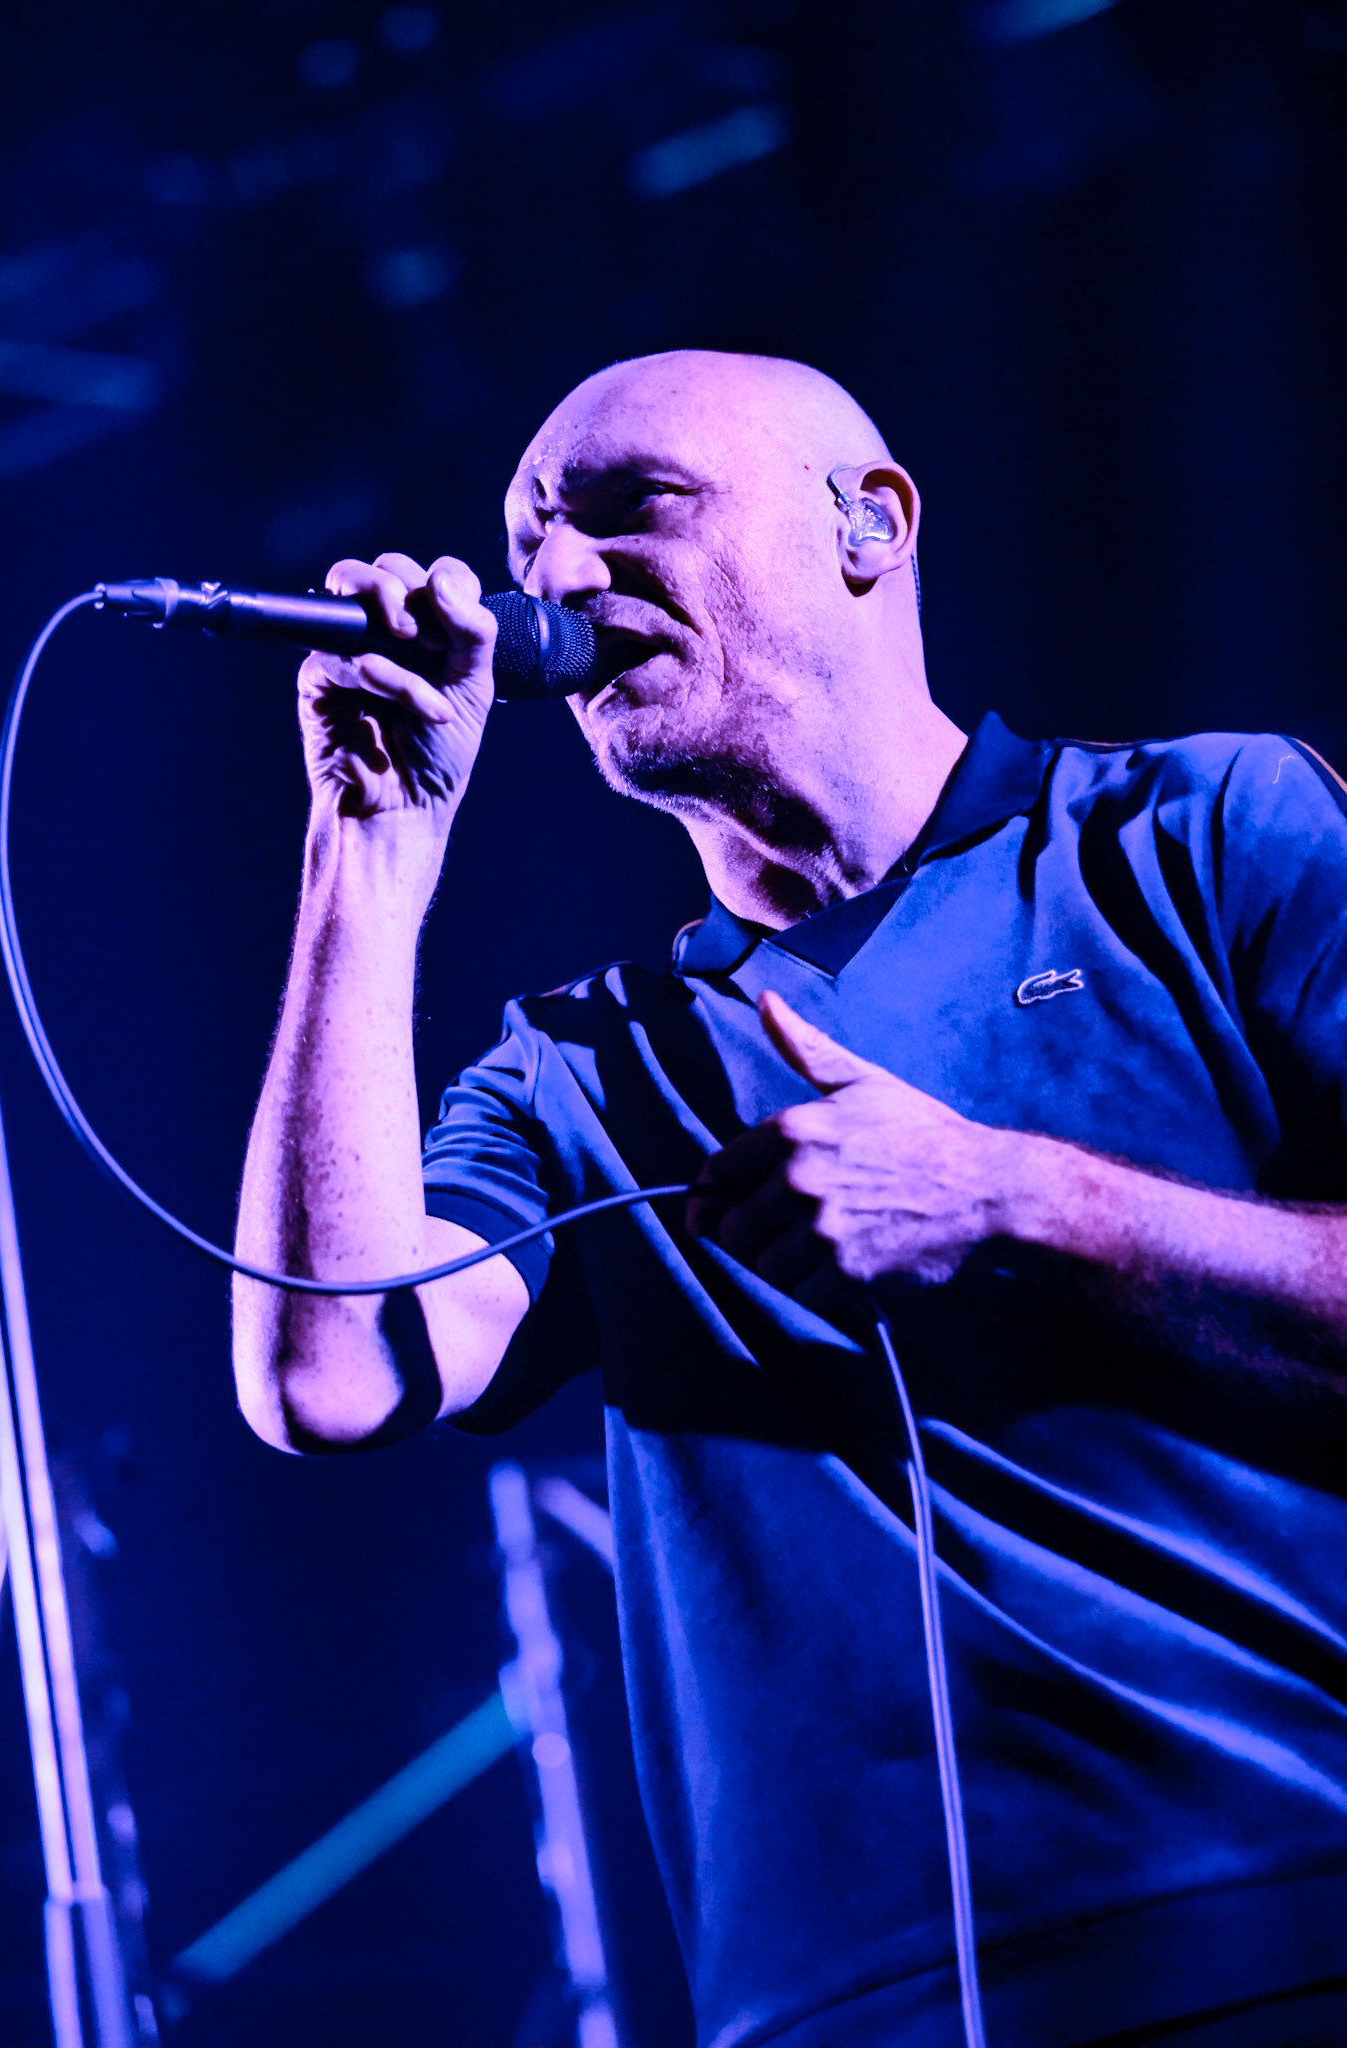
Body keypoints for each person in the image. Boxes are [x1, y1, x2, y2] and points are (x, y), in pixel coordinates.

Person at [232, 351, 1347, 2048]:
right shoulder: (574, 1074)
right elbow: (329, 1378)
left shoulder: (1204, 832)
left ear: (868, 524)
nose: (559, 580)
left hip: (1279, 1927)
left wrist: (1012, 1198)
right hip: (837, 2010)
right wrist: (366, 857)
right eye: (533, 544)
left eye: (632, 512)